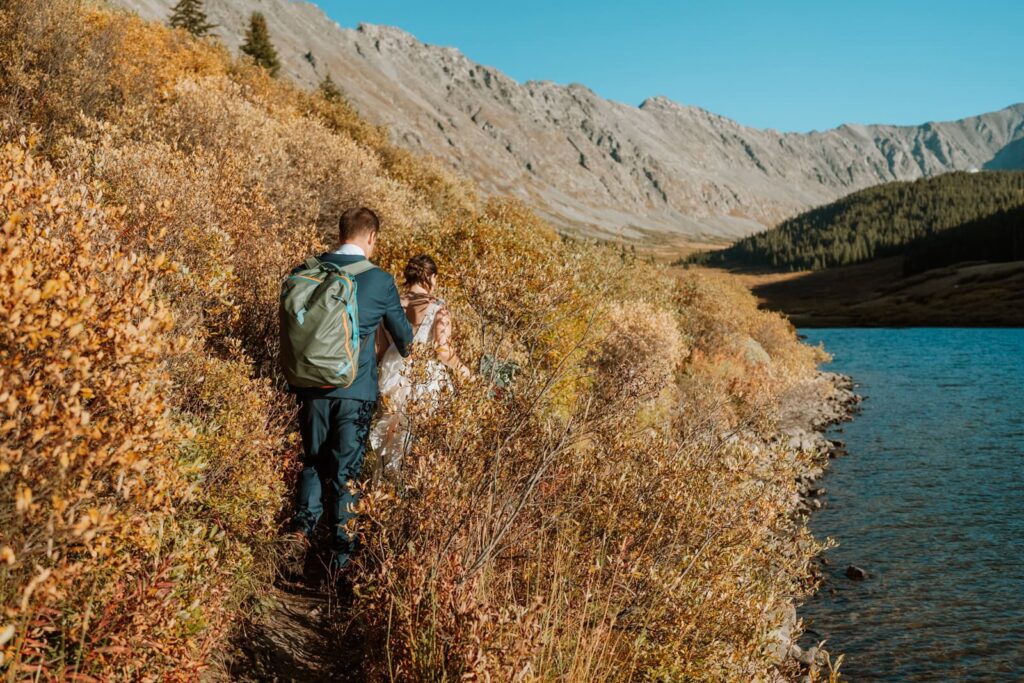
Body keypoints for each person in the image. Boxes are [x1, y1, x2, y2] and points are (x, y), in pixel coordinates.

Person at [285, 207, 414, 571]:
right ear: (371, 237)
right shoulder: (380, 280)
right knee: (346, 473)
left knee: (312, 461)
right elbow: (404, 340)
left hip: (310, 384)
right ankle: (340, 562)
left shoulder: (309, 269)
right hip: (355, 390)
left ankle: (299, 536)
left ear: (341, 232)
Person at [370, 255, 471, 471]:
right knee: (414, 436)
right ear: (431, 277)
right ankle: (401, 487)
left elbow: (379, 347)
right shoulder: (438, 307)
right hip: (423, 375)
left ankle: (379, 484)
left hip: (391, 372)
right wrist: (464, 371)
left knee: (388, 432)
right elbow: (443, 349)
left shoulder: (392, 303)